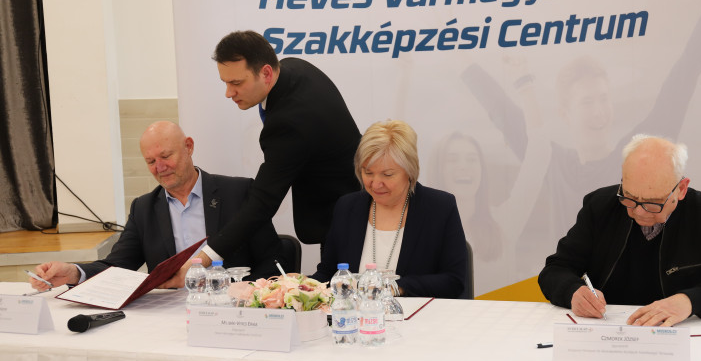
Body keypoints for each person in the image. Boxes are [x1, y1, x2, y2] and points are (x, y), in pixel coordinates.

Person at [163, 31, 361, 287]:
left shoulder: (289, 123)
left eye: (236, 83)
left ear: (266, 73)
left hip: (344, 223)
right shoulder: (293, 68)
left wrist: (203, 259)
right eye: (225, 82)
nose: (228, 93)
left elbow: (263, 201)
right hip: (348, 206)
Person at [538, 134, 701, 327]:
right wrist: (573, 291)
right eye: (629, 198)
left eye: (653, 203)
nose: (639, 212)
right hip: (609, 333)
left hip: (683, 340)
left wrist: (690, 301)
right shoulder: (600, 207)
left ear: (681, 189)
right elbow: (555, 269)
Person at [29, 121, 284, 290]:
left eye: (165, 156)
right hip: (169, 318)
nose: (160, 168)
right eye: (150, 161)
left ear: (189, 147)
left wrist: (244, 294)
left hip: (233, 311)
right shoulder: (144, 209)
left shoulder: (238, 192)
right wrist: (74, 272)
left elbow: (273, 261)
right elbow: (117, 266)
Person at [312, 120, 467, 298]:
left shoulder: (440, 208)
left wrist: (396, 288)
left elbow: (453, 281)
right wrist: (301, 285)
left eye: (387, 174)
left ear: (410, 171)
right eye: (368, 173)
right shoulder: (347, 207)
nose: (376, 184)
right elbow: (328, 274)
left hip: (416, 314)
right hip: (354, 314)